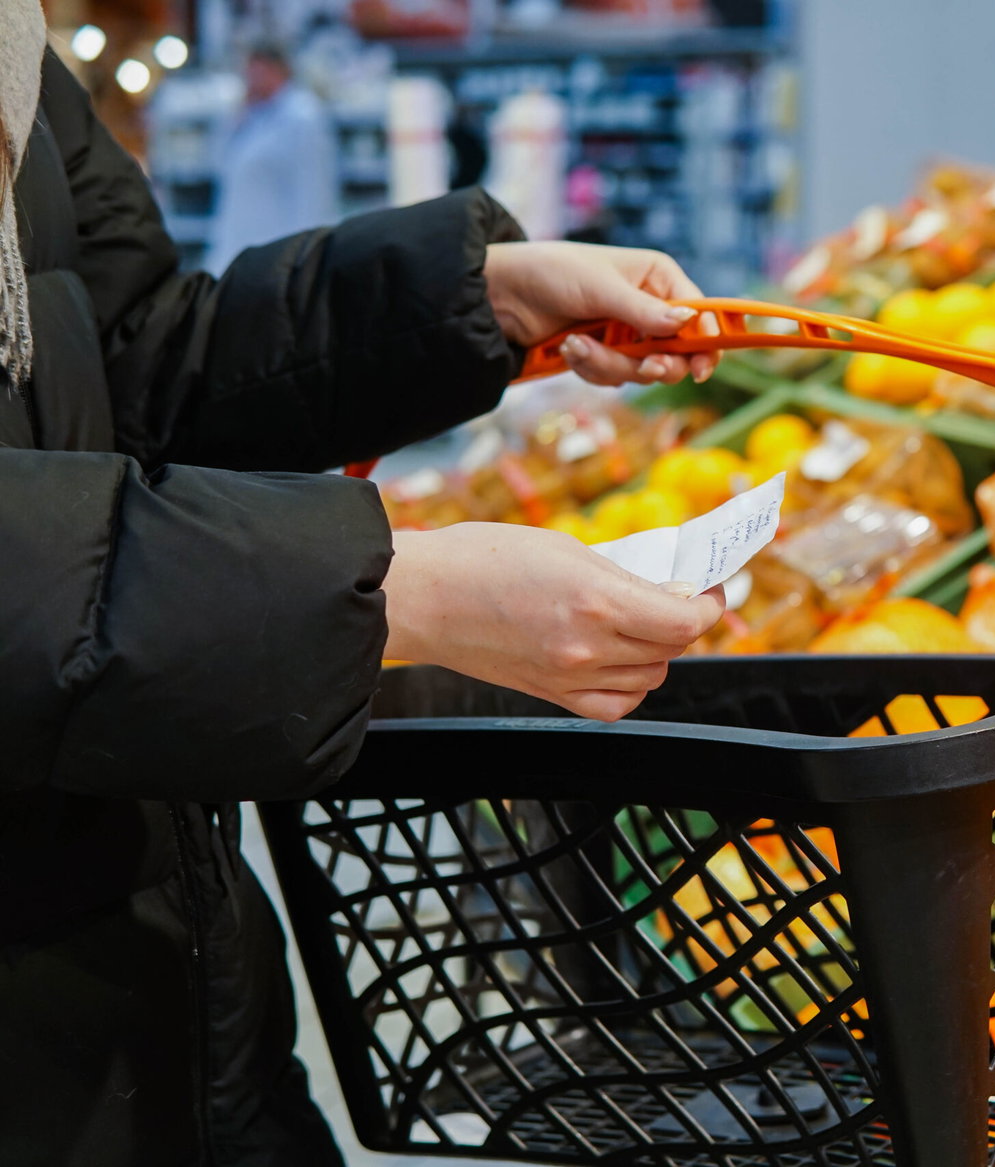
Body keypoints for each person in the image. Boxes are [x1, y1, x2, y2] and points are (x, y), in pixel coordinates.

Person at [0, 11, 726, 1166]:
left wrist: (471, 300)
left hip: (166, 986)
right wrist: (387, 595)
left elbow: (131, 366)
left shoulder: (12, 53)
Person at [203, 43, 340, 273]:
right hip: (240, 241)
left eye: (258, 71)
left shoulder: (303, 115)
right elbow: (219, 164)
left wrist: (307, 253)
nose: (251, 79)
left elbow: (314, 190)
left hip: (280, 246)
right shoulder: (251, 114)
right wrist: (238, 115)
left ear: (278, 70)